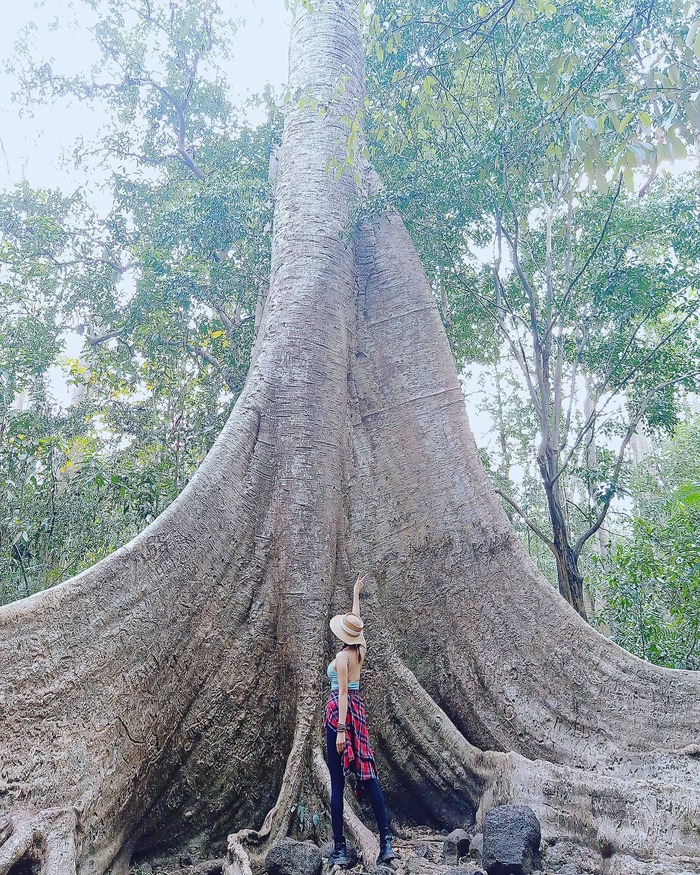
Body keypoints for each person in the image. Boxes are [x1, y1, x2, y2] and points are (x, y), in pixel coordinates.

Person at [323, 574, 397, 868]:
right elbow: (357, 620)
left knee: (337, 782)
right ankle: (386, 843)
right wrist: (355, 593)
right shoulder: (361, 650)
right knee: (368, 776)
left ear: (343, 635)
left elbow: (341, 694)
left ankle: (340, 849)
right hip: (359, 713)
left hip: (340, 716)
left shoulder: (342, 658)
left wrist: (340, 730)